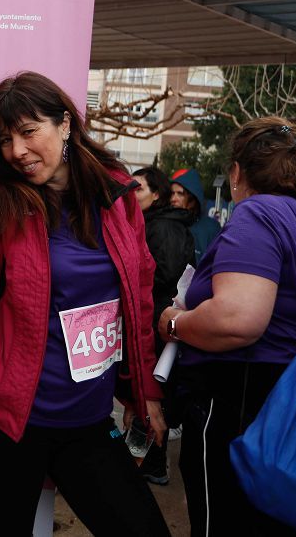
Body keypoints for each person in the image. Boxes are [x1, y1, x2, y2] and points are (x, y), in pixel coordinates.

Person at [0, 73, 169, 536]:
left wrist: (147, 394)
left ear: (65, 124)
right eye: (4, 139)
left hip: (88, 417)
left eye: (28, 131)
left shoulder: (117, 198)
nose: (16, 150)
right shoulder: (0, 204)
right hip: (4, 419)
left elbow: (138, 304)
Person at [158, 117, 296, 537]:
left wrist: (175, 322)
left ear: (236, 173)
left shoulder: (259, 212)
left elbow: (237, 319)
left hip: (242, 403)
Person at [130, 165, 195, 485]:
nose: (131, 193)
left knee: (149, 397)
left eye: (138, 188)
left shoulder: (163, 227)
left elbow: (166, 274)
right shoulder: (154, 222)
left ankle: (151, 463)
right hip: (153, 319)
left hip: (155, 322)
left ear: (156, 195)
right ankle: (140, 459)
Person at [170, 167, 221, 264]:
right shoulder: (166, 223)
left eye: (180, 194)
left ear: (193, 198)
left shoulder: (211, 228)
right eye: (172, 193)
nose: (173, 199)